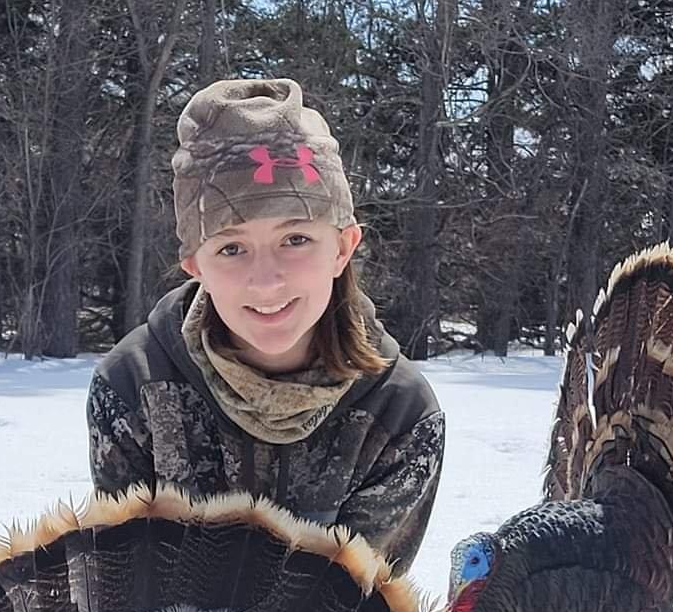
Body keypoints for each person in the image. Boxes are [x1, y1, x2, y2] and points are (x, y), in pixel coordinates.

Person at [86, 76, 444, 574]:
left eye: (295, 239)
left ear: (343, 247)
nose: (267, 281)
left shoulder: (400, 414)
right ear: (195, 264)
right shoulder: (132, 387)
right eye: (231, 248)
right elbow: (126, 589)